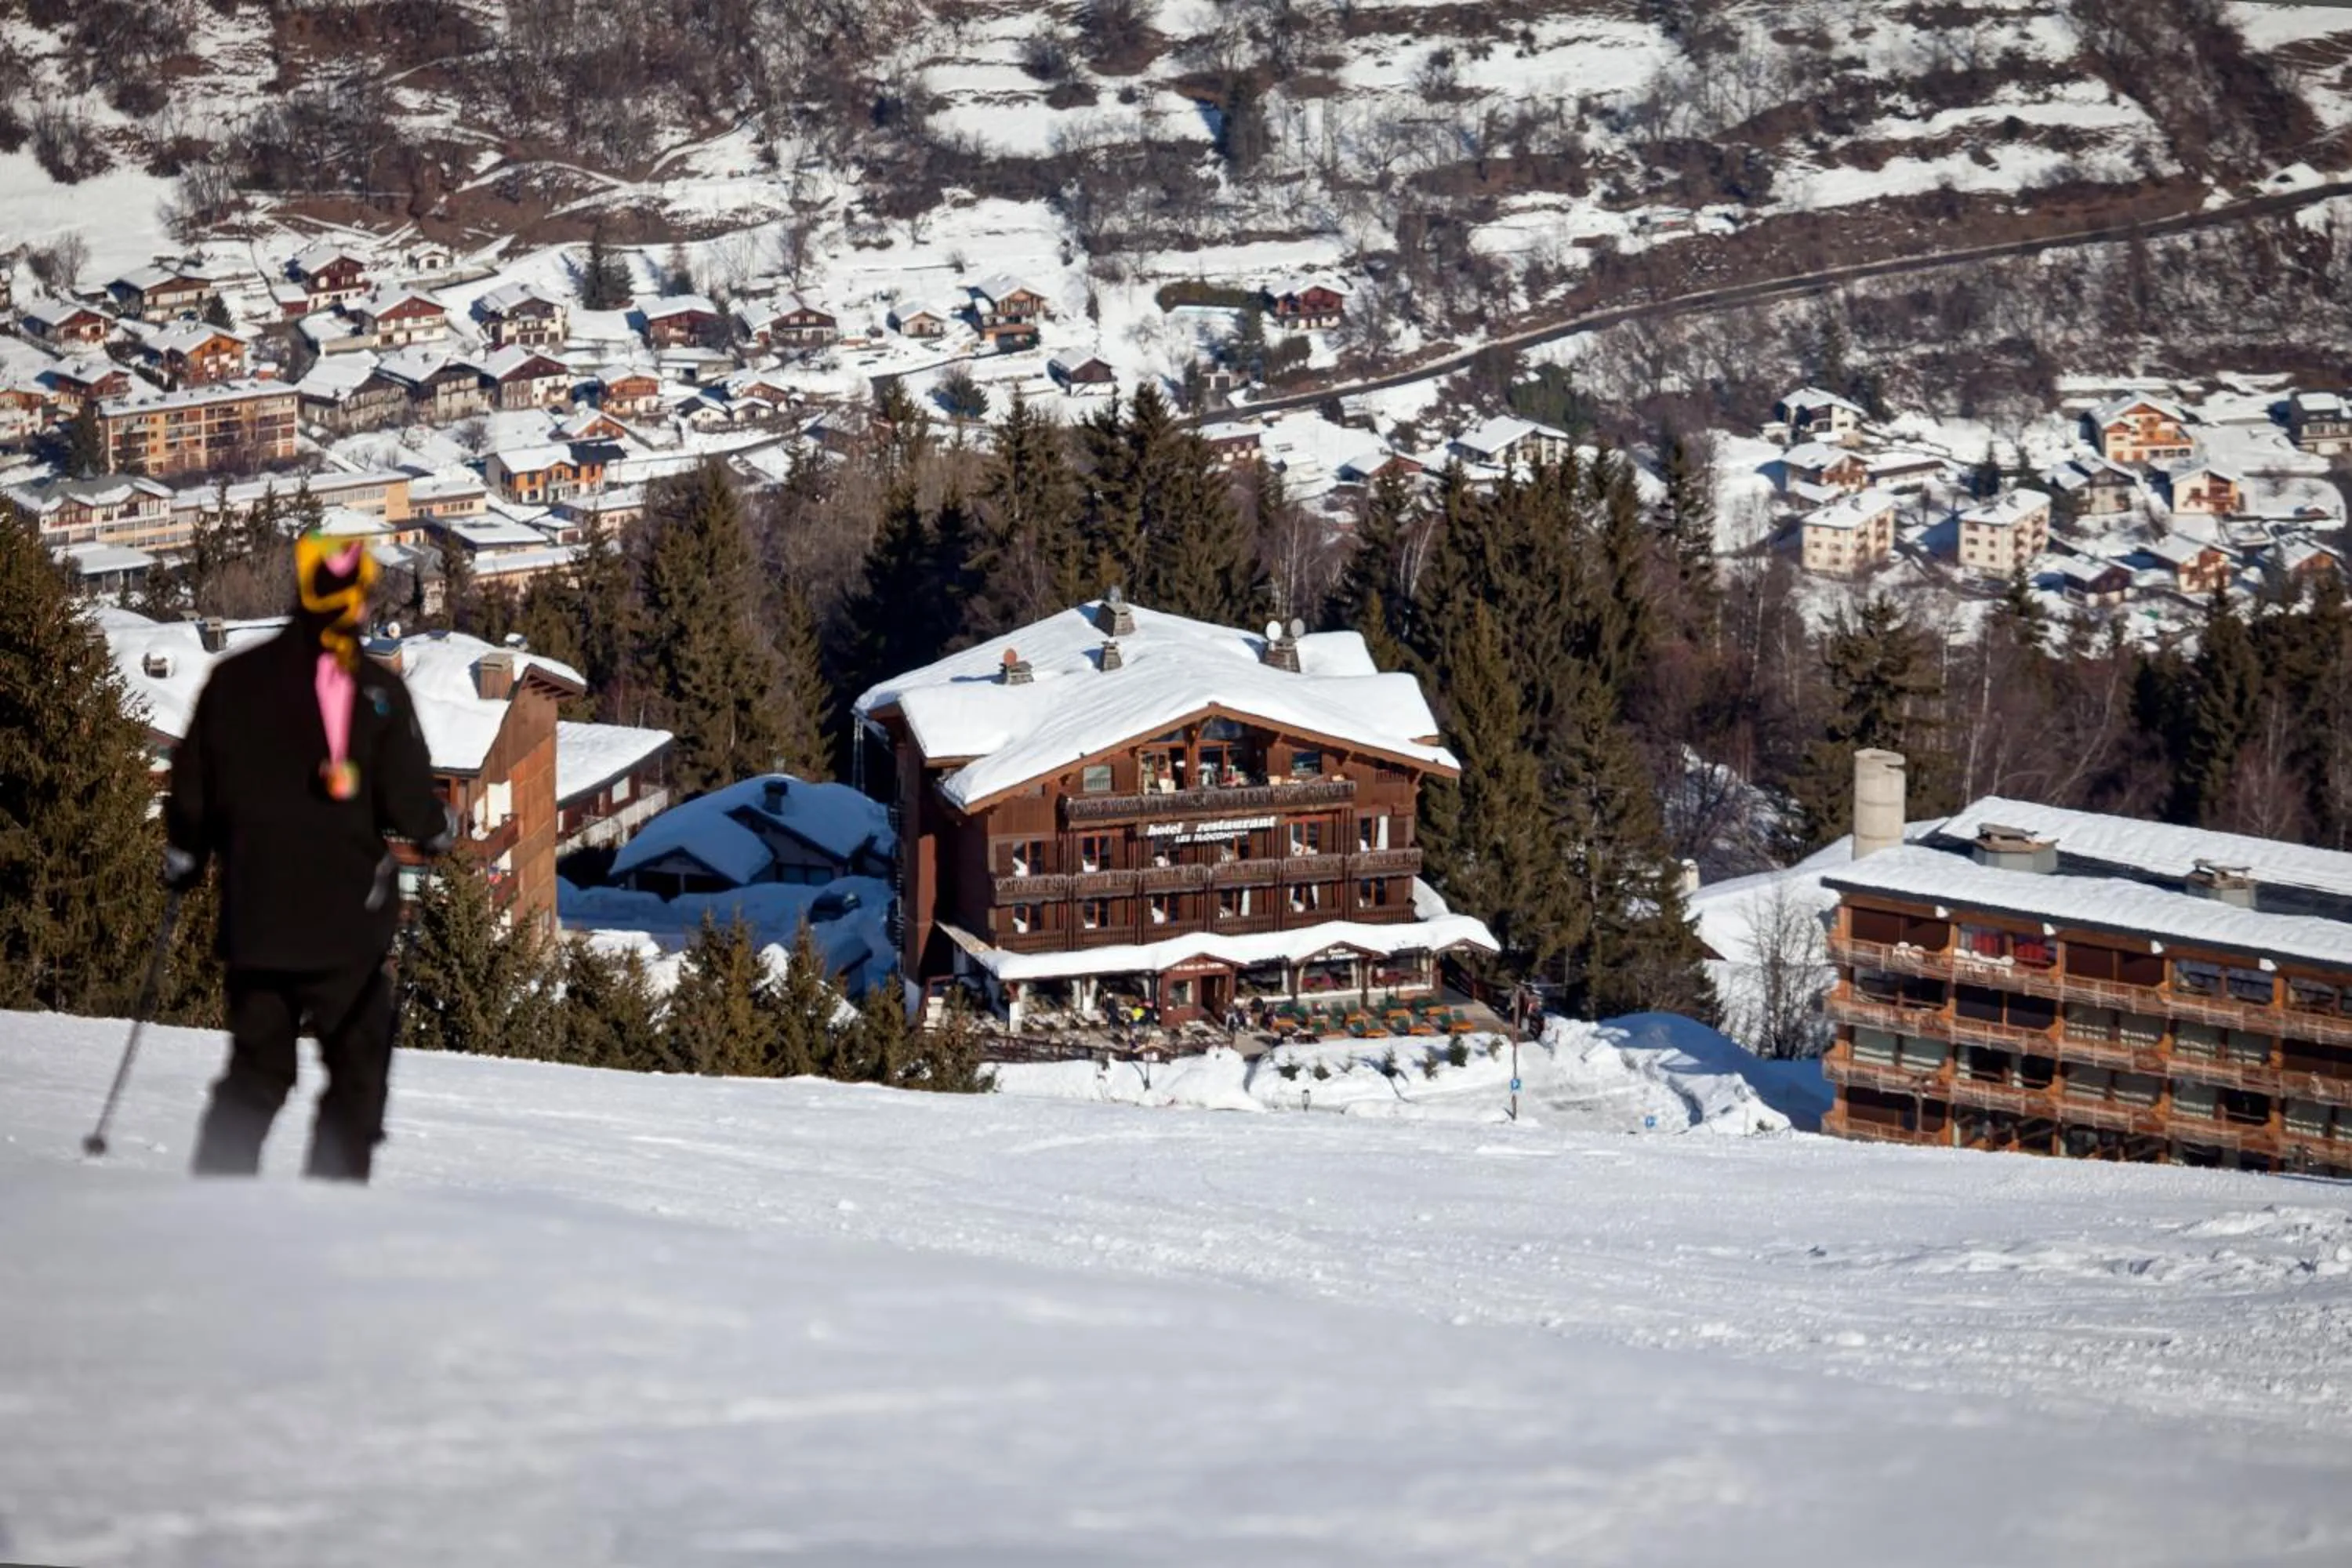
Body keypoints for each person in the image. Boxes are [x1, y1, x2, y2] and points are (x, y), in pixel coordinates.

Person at [164, 531, 455, 1182]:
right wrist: (438, 831)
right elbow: (412, 805)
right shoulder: (377, 694)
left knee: (258, 1070)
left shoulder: (232, 682)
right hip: (344, 929)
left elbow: (191, 793)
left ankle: (216, 1195)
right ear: (358, 600)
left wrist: (184, 856)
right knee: (356, 1070)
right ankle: (330, 1204)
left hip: (255, 919)